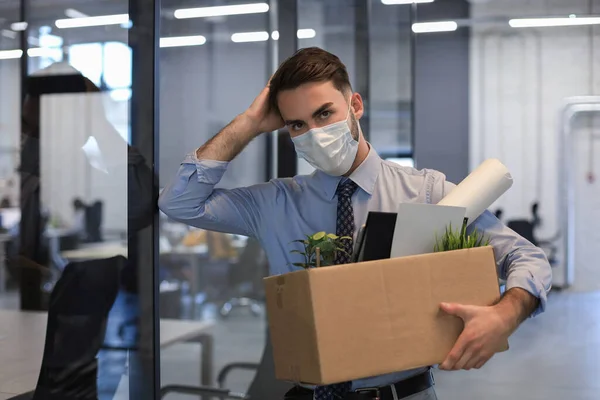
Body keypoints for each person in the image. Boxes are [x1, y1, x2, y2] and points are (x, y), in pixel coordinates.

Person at [158, 47, 552, 400]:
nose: (315, 134)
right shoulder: (276, 203)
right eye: (297, 125)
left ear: (355, 105)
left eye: (324, 113)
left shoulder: (428, 193)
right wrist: (248, 123)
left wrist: (504, 315)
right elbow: (179, 203)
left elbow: (526, 257)